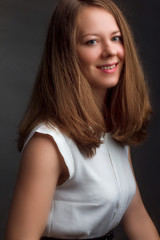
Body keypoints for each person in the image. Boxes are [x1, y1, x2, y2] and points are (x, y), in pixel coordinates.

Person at [5, 0, 160, 239]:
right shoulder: (47, 144)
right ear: (67, 54)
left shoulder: (115, 130)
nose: (110, 51)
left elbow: (138, 219)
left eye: (116, 38)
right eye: (92, 41)